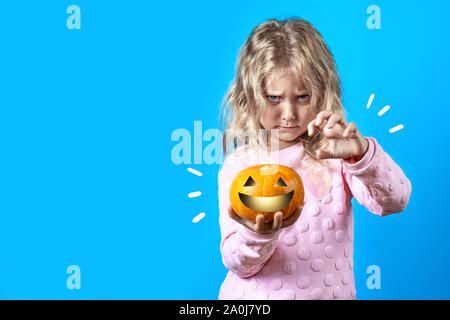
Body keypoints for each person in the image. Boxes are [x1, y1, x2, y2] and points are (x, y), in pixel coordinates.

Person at [217, 17, 412, 300]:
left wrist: (362, 155)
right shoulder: (240, 165)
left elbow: (397, 200)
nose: (288, 114)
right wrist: (257, 235)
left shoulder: (336, 154)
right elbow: (238, 265)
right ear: (250, 95)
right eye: (273, 98)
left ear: (322, 93)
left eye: (302, 97)